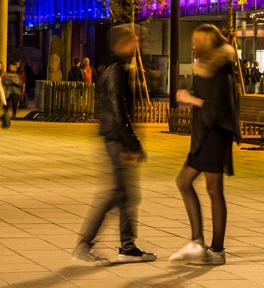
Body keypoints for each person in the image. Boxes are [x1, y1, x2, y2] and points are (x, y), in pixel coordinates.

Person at [72, 24, 156, 266]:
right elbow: (119, 113)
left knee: (127, 195)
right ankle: (85, 244)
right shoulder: (116, 70)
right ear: (123, 44)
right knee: (118, 195)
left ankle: (127, 246)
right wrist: (133, 144)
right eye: (134, 42)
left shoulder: (114, 69)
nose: (138, 46)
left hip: (115, 139)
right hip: (116, 141)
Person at [169, 23, 241, 266]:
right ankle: (203, 244)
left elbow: (218, 110)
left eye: (195, 41)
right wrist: (193, 102)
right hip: (207, 137)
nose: (192, 45)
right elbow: (210, 104)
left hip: (213, 138)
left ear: (204, 45)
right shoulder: (210, 70)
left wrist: (193, 100)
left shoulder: (220, 72)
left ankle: (208, 246)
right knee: (208, 189)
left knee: (199, 186)